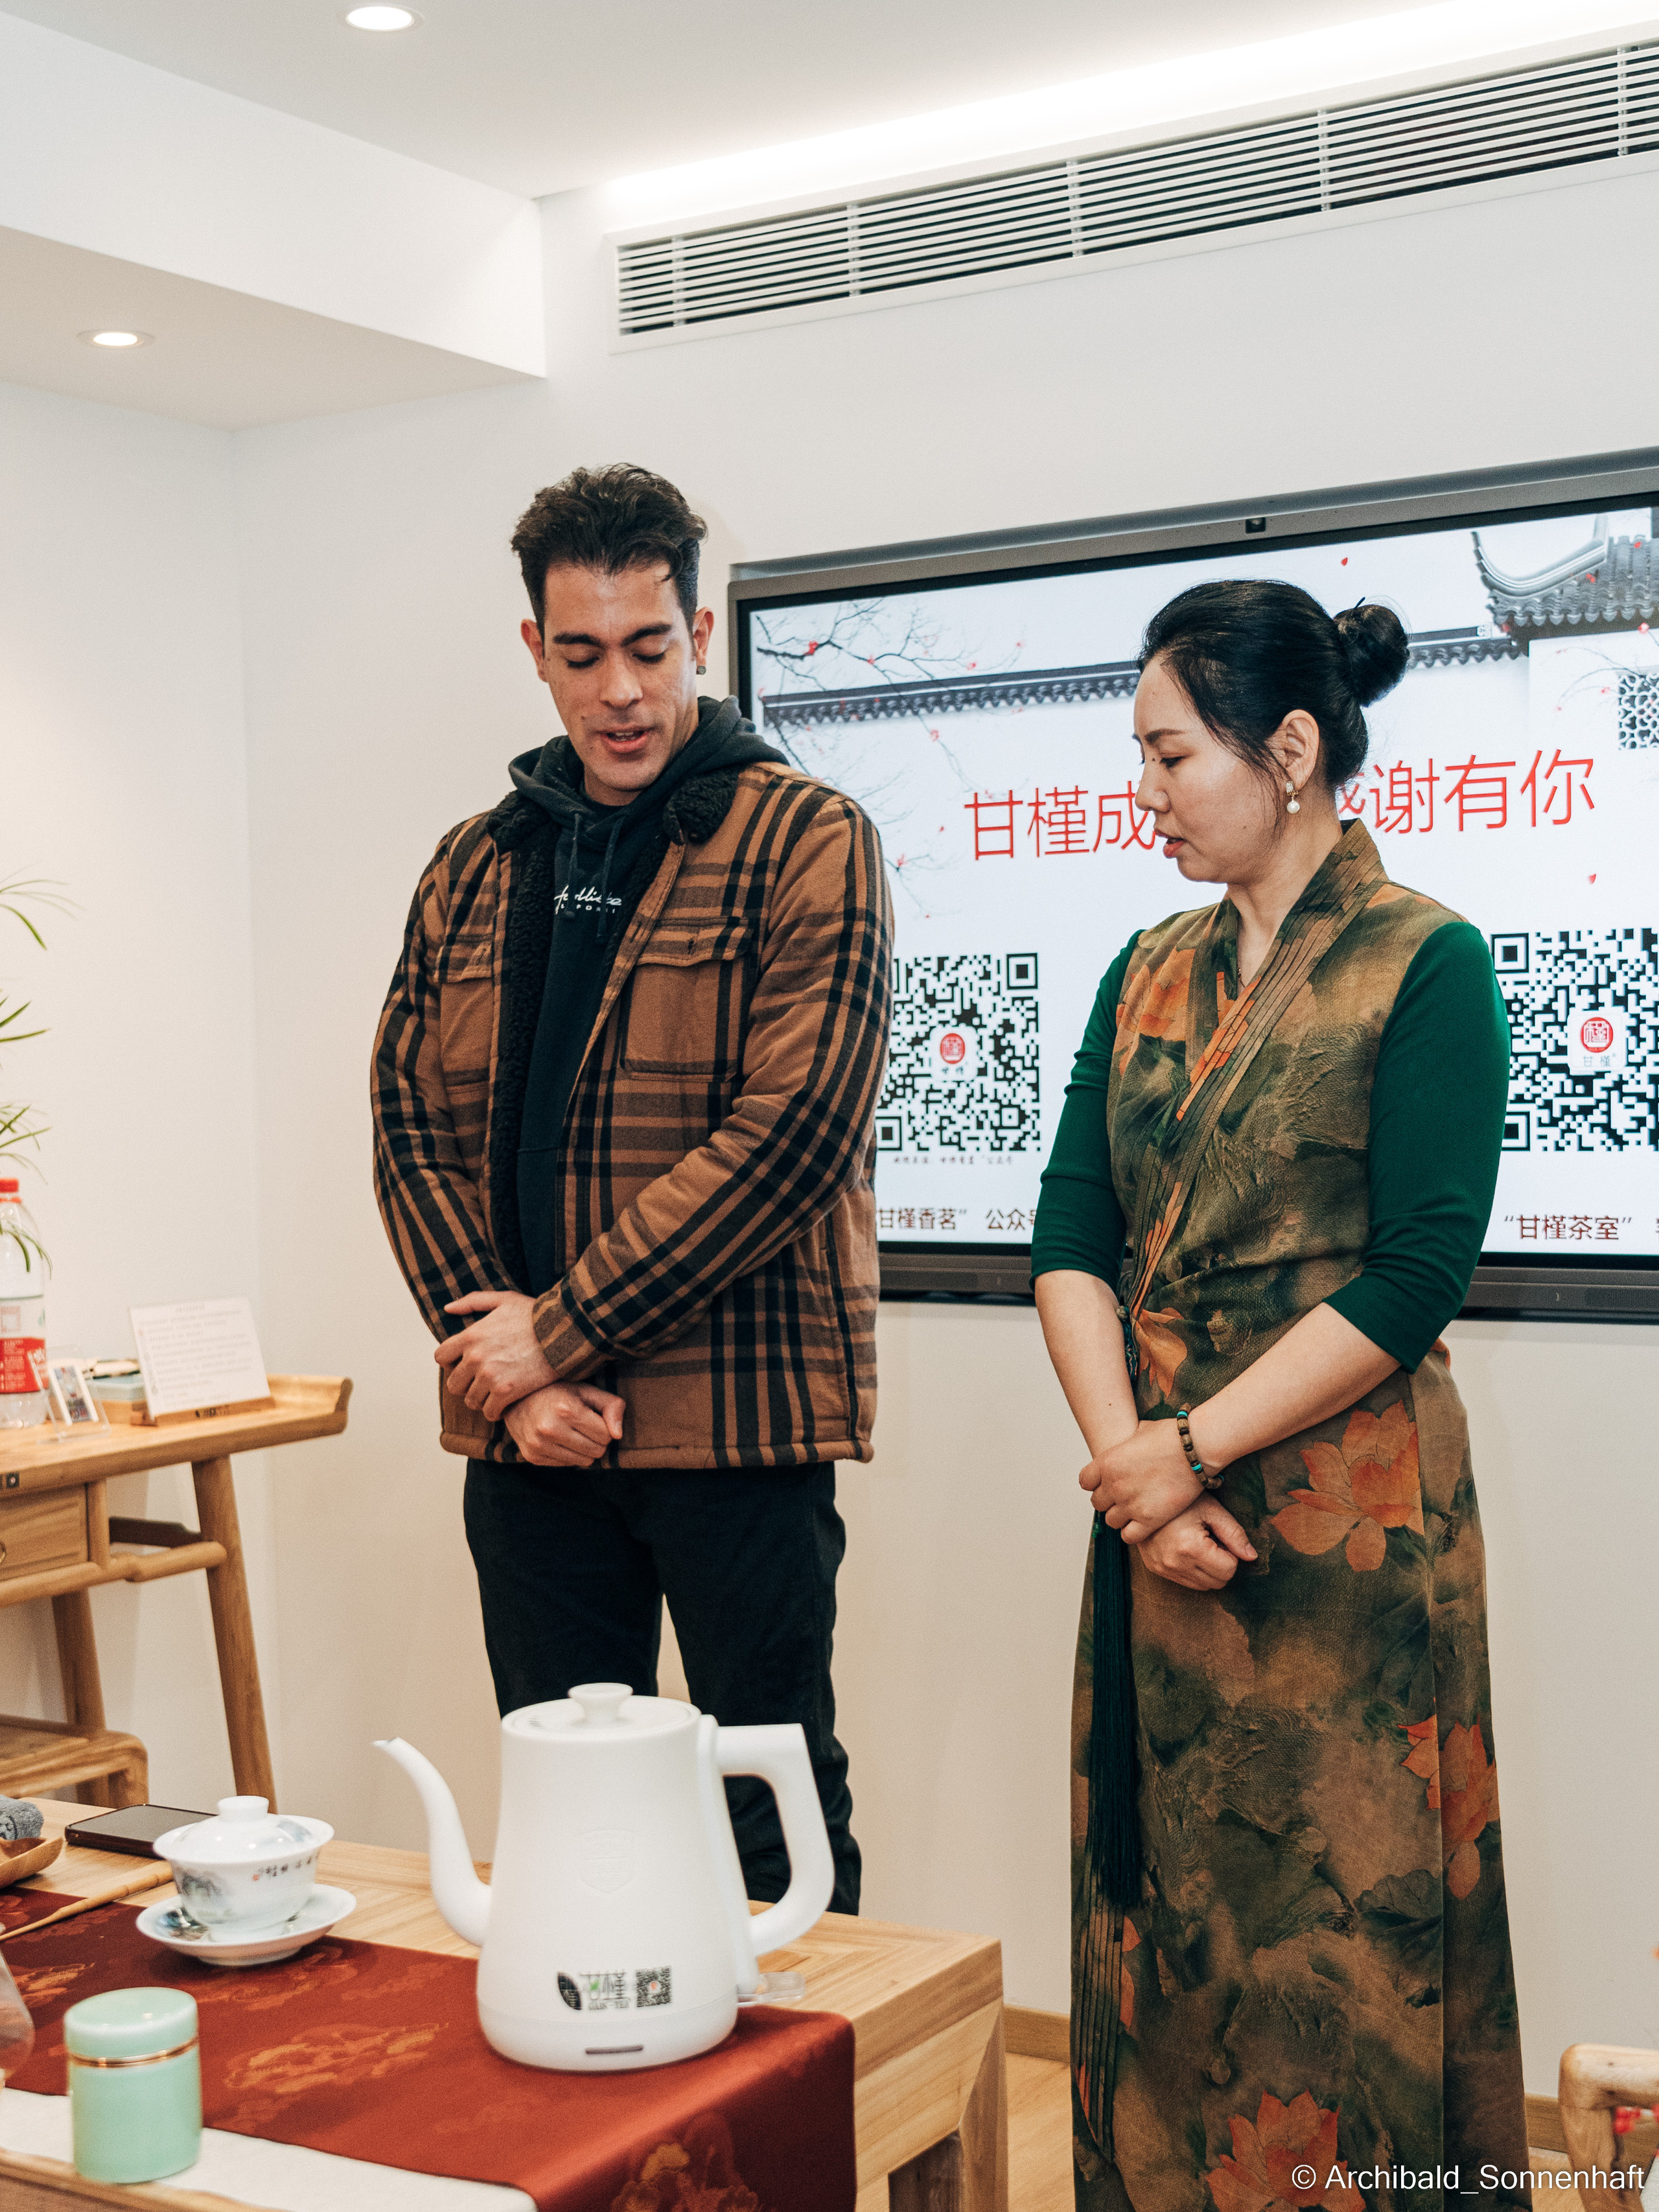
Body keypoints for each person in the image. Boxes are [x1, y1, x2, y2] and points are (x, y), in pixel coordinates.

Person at [1031, 579, 1527, 2211]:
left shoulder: (1422, 962)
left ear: (1290, 751)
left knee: (1346, 1934)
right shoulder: (1141, 970)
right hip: (1155, 1514)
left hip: (1339, 1543)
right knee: (1169, 1915)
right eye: (1142, 756)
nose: (1145, 790)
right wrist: (1132, 1470)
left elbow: (1412, 1276)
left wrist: (1181, 1450)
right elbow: (1068, 1237)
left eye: (1171, 753)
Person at [372, 463, 892, 1914]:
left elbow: (793, 1134)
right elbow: (407, 1122)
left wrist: (553, 1335)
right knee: (571, 1822)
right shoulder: (473, 863)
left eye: (650, 648)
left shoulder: (808, 839)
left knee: (770, 1821)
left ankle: (811, 2072)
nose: (620, 692)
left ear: (701, 633)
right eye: (584, 652)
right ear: (533, 649)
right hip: (529, 1446)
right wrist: (509, 1382)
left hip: (737, 1427)